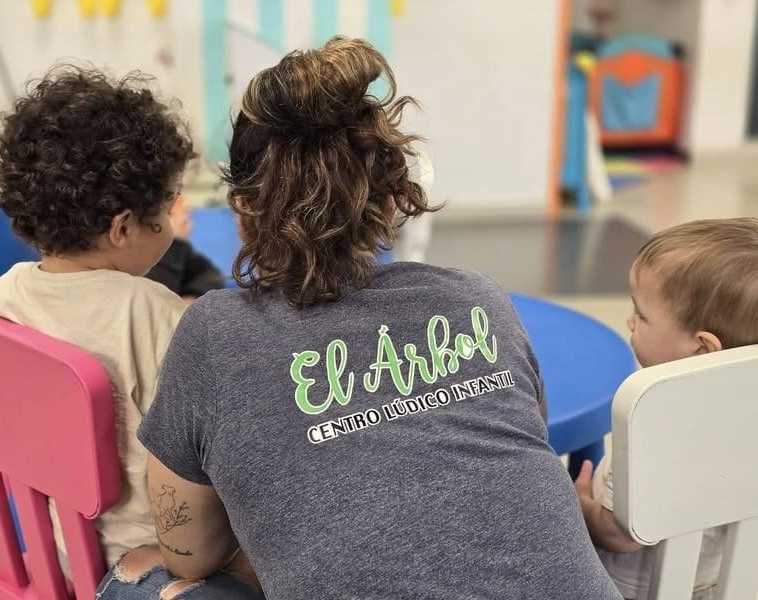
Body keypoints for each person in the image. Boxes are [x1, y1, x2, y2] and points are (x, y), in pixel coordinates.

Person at [111, 37, 624, 600]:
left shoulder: (214, 335)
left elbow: (189, 552)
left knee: (134, 577)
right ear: (390, 199)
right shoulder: (480, 298)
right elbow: (521, 449)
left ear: (243, 210)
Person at [0, 66, 255, 599]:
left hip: (62, 544)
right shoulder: (155, 314)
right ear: (123, 228)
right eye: (167, 206)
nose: (174, 220)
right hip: (162, 556)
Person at [574, 218, 758, 599]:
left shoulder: (654, 422)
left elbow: (618, 535)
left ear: (703, 349)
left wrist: (580, 506)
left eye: (642, 315)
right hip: (716, 583)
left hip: (635, 589)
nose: (630, 321)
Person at [146, 195, 226, 303]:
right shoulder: (143, 253)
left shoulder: (183, 251)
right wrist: (174, 241)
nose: (189, 224)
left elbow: (212, 276)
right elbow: (158, 296)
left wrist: (191, 298)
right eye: (169, 213)